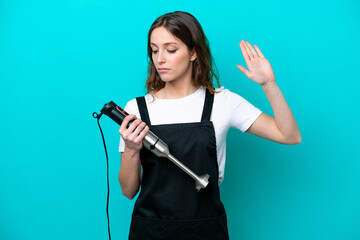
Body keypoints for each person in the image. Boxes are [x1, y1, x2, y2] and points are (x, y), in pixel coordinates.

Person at [118, 11, 301, 240]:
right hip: (151, 230)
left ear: (193, 52)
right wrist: (132, 150)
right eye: (154, 50)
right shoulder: (136, 109)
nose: (160, 59)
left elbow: (290, 135)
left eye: (171, 50)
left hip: (205, 230)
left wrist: (269, 85)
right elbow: (128, 191)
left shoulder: (222, 102)